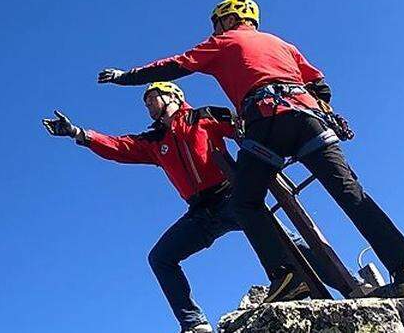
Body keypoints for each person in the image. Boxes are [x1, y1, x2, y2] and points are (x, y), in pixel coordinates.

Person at [98, 0, 404, 302]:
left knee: (246, 203)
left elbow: (172, 65)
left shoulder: (223, 43)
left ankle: (287, 280)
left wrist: (124, 76)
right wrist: (325, 110)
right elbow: (319, 84)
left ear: (231, 20)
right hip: (308, 119)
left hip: (265, 124)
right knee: (350, 193)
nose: (217, 31)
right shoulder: (281, 43)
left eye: (219, 24)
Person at [42, 82, 343, 332]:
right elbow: (119, 147)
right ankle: (194, 324)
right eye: (145, 102)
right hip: (200, 212)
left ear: (174, 96)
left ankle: (342, 283)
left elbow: (245, 129)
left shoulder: (205, 116)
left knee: (287, 241)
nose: (147, 105)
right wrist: (79, 134)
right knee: (161, 257)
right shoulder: (154, 139)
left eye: (152, 97)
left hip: (232, 196)